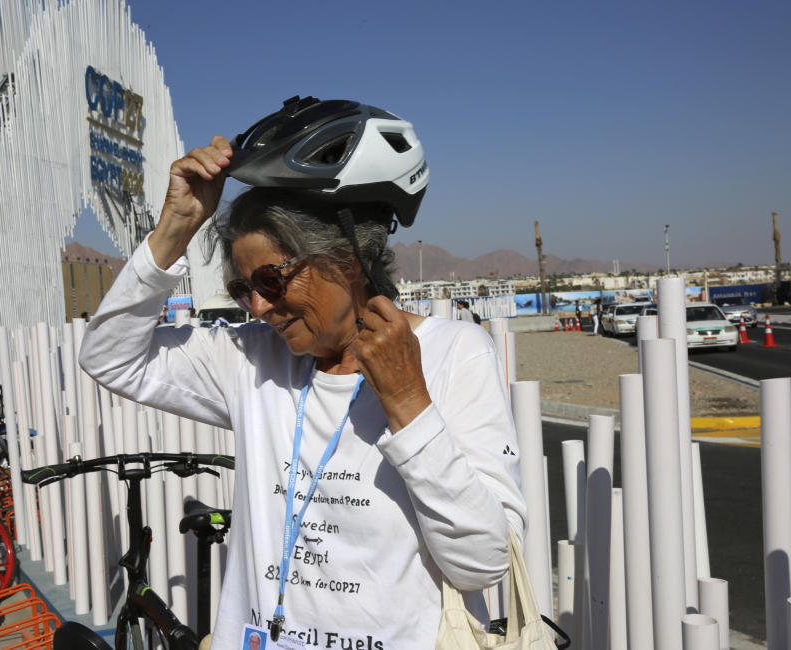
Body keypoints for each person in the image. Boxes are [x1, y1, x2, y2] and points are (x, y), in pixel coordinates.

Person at [79, 96, 526, 649]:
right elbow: (109, 357)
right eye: (245, 291)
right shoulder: (252, 359)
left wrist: (410, 404)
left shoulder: (454, 353)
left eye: (272, 281)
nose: (260, 309)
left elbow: (483, 565)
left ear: (347, 257)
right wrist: (176, 228)